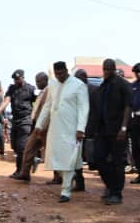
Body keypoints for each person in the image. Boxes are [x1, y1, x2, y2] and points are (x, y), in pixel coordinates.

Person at [36, 62, 89, 203]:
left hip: (72, 130)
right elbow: (47, 106)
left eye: (61, 73)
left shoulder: (78, 85)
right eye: (56, 74)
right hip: (56, 129)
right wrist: (39, 125)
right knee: (57, 158)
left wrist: (80, 129)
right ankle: (71, 181)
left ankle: (66, 191)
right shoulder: (53, 85)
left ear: (66, 70)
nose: (59, 76)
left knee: (69, 159)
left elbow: (84, 109)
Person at [88, 59, 132, 205]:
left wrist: (124, 128)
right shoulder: (101, 87)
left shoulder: (123, 85)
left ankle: (116, 193)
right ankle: (110, 186)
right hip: (102, 131)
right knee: (98, 159)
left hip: (118, 131)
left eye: (109, 69)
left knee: (118, 162)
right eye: (104, 69)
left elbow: (128, 107)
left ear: (114, 69)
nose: (106, 71)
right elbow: (95, 110)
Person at [0, 69, 36, 176]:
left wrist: (35, 117)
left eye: (17, 79)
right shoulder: (12, 88)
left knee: (21, 147)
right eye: (14, 79)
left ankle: (20, 171)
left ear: (23, 77)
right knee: (14, 145)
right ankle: (34, 159)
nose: (16, 81)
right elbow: (6, 101)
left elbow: (38, 103)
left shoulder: (31, 89)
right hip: (15, 120)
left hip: (26, 120)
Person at [14, 72, 51, 181]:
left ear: (45, 80)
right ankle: (25, 173)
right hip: (37, 126)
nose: (37, 83)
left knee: (50, 152)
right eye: (36, 81)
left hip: (46, 127)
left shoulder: (50, 91)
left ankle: (59, 176)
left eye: (39, 81)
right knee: (29, 148)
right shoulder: (41, 92)